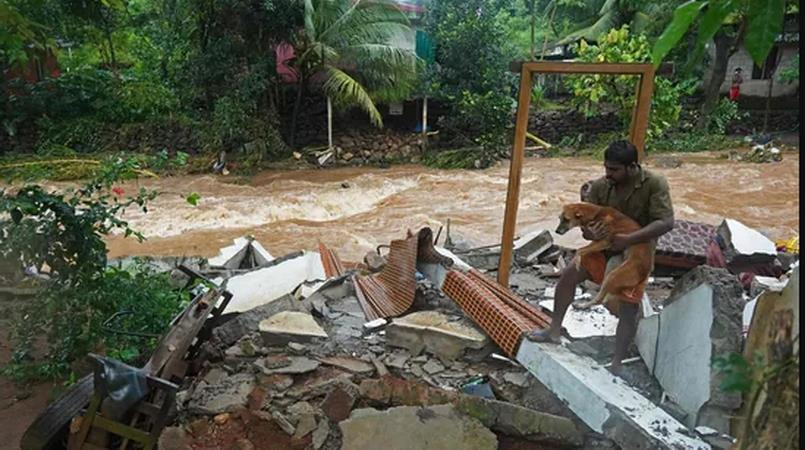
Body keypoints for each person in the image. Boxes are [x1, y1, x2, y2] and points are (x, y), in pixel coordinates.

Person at [527, 140, 675, 374]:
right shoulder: (600, 186)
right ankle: (553, 330)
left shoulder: (654, 184)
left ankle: (617, 362)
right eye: (606, 168)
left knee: (627, 305)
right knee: (567, 277)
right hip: (602, 247)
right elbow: (584, 223)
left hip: (635, 250)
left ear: (632, 167)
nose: (608, 174)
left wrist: (629, 239)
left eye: (614, 170)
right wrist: (589, 232)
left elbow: (666, 222)